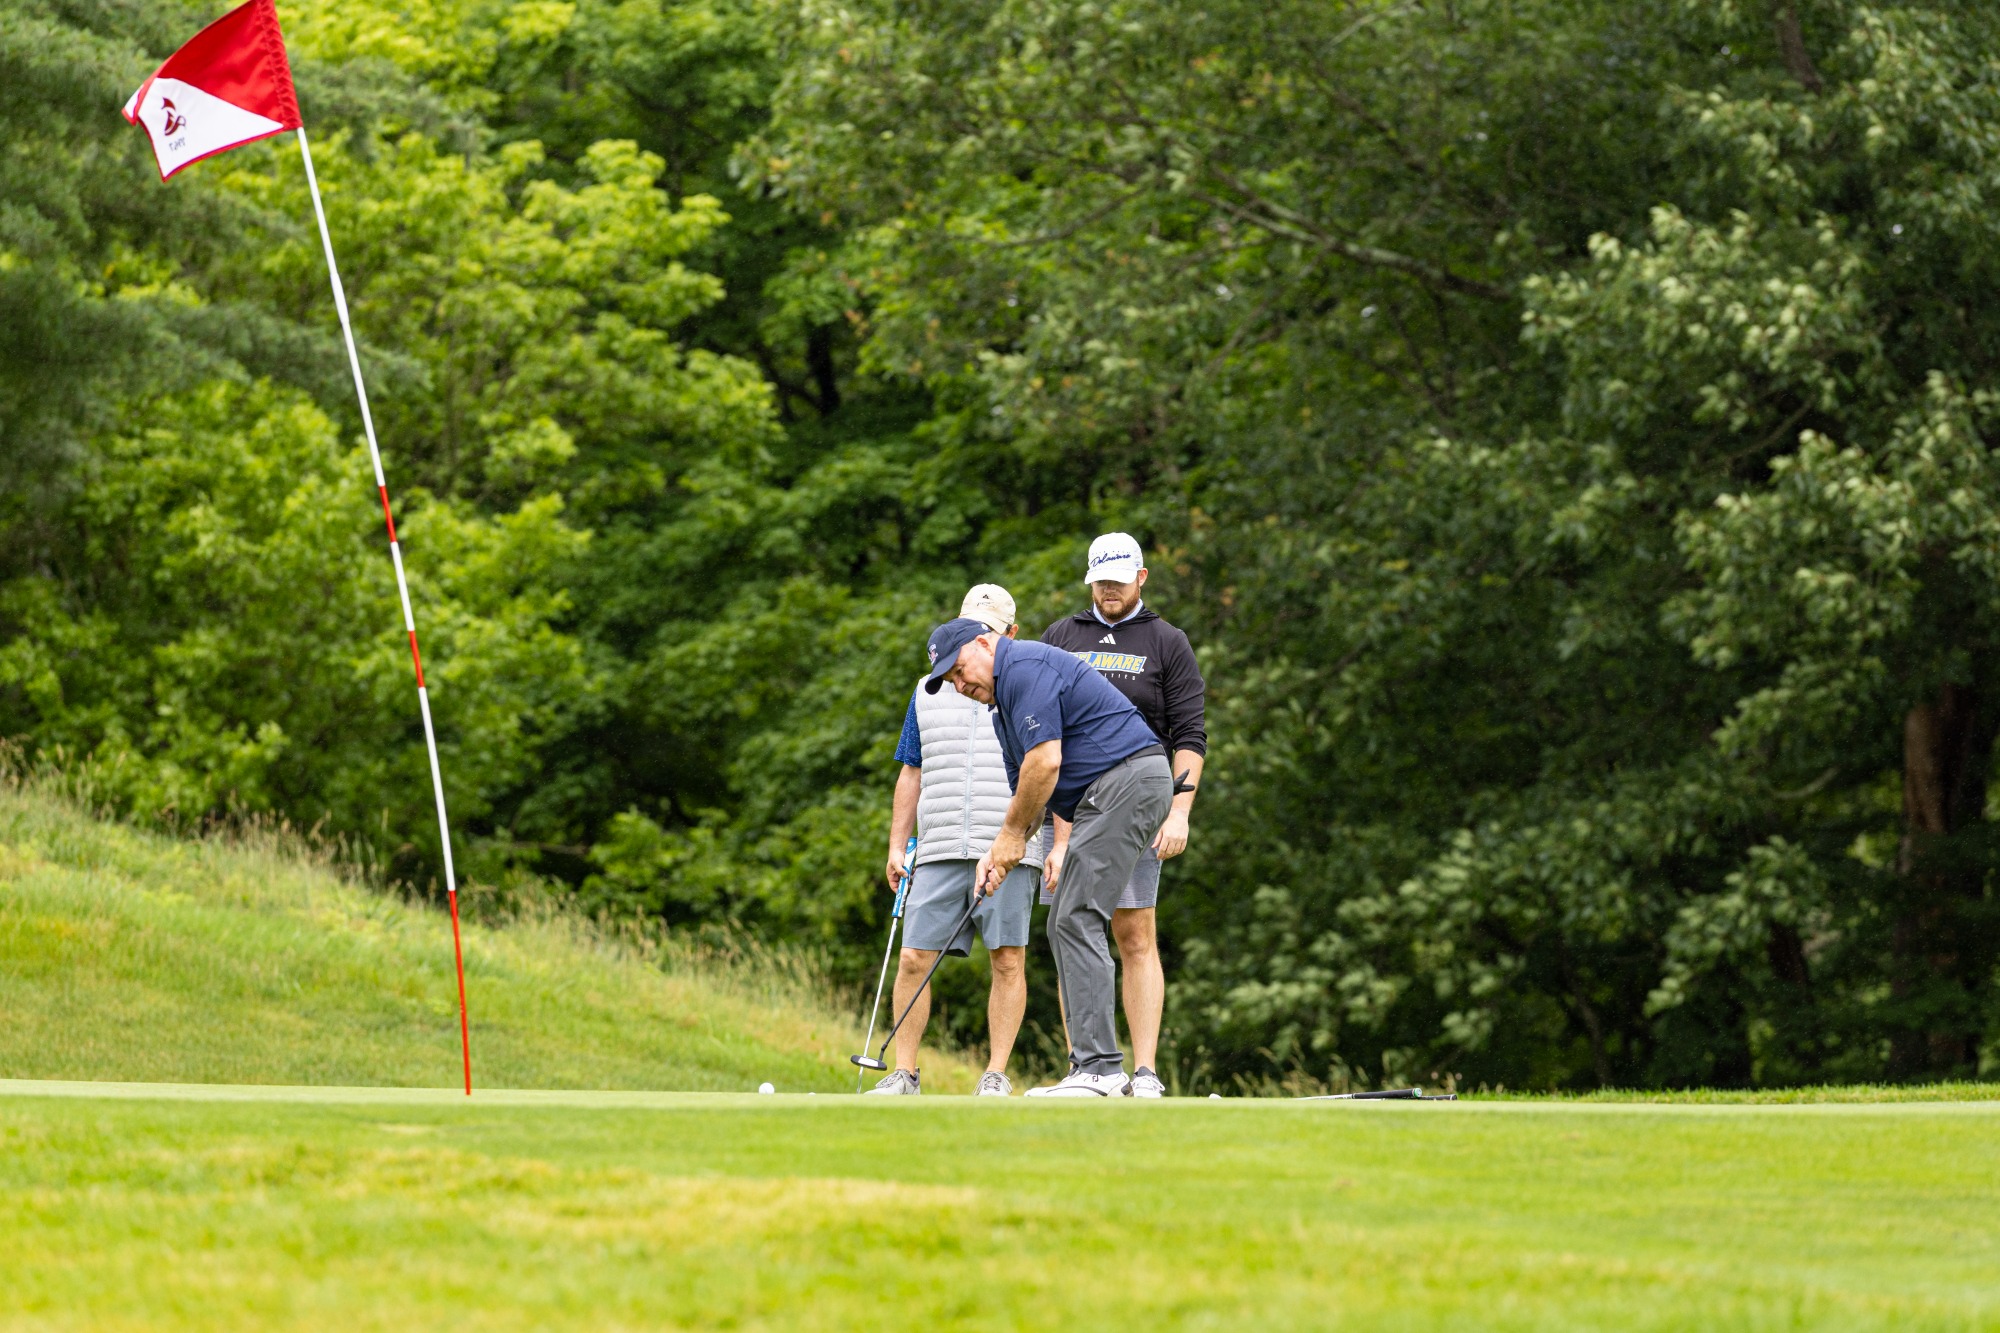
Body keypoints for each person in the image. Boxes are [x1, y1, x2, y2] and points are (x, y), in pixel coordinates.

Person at [924, 613, 1174, 1097]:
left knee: (1075, 915)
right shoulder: (1003, 711)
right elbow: (1029, 792)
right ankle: (1096, 1067)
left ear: (983, 644)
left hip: (1127, 783)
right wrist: (999, 852)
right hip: (1114, 791)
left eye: (959, 671)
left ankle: (1099, 1069)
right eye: (950, 681)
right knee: (1069, 917)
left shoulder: (1024, 668)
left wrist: (1012, 837)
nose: (959, 685)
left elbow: (1047, 761)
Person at [1039, 532, 1206, 1098]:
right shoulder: (1061, 637)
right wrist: (1058, 839)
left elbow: (1189, 735)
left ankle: (1145, 1071)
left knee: (1134, 931)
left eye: (1118, 579)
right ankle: (1083, 1063)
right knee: (1071, 927)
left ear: (1141, 577)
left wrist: (1178, 811)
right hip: (1069, 811)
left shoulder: (1166, 641)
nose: (1108, 589)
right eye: (1099, 580)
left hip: (1137, 804)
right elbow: (1049, 738)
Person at [868, 585, 1046, 1096]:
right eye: (970, 628)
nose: (976, 640)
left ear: (1009, 634)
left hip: (1009, 846)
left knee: (1008, 958)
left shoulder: (1029, 683)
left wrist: (1054, 843)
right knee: (913, 957)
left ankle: (995, 1073)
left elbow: (1051, 765)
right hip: (941, 843)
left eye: (987, 630)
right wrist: (897, 846)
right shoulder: (927, 690)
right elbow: (910, 772)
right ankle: (904, 1072)